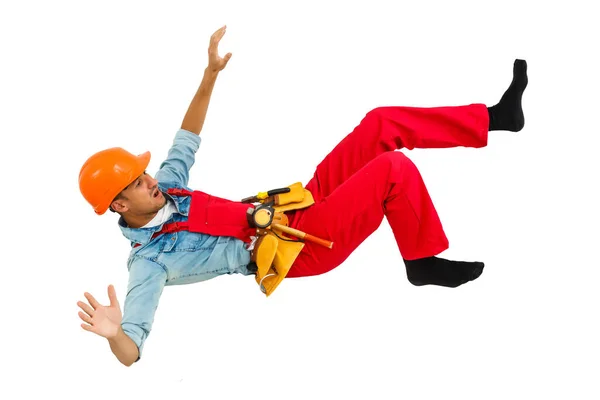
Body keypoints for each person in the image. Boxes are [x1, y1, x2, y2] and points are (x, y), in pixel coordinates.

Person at [76, 25, 529, 366]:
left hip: (293, 206)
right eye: (136, 182)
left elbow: (187, 134)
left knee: (380, 124)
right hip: (294, 248)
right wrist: (115, 333)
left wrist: (209, 73)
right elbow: (131, 349)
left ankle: (494, 118)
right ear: (118, 205)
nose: (149, 180)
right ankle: (422, 261)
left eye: (143, 173)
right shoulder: (149, 264)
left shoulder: (168, 187)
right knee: (392, 171)